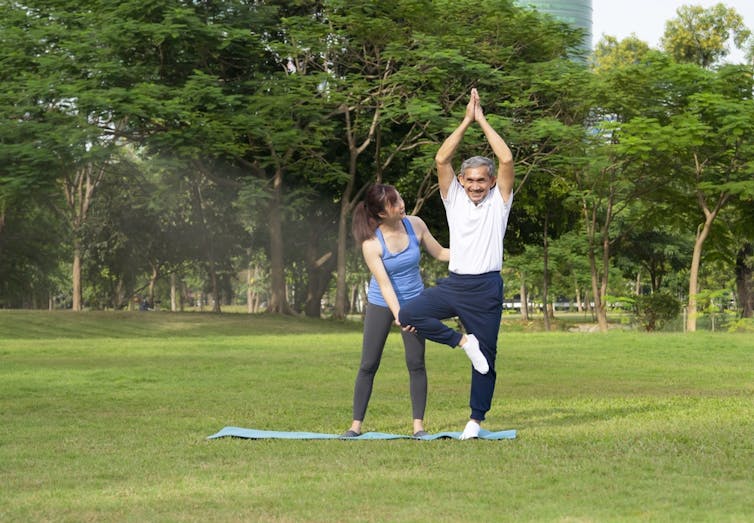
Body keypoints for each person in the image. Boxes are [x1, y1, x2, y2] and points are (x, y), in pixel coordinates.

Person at [398, 88, 515, 440]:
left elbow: (507, 160)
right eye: (471, 180)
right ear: (462, 182)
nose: (476, 185)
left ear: (492, 182)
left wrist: (483, 120)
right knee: (409, 315)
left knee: (488, 359)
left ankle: (475, 421)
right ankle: (464, 343)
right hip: (455, 285)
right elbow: (441, 159)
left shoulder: (500, 202)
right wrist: (466, 120)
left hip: (487, 288)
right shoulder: (454, 199)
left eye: (483, 180)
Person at [343, 184, 449, 438]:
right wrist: (401, 316)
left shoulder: (416, 225)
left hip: (415, 300)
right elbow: (385, 285)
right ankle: (355, 426)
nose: (401, 204)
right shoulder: (371, 243)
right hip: (382, 302)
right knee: (369, 363)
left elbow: (441, 253)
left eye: (399, 198)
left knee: (416, 362)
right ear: (381, 213)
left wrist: (475, 255)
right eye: (394, 204)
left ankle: (418, 427)